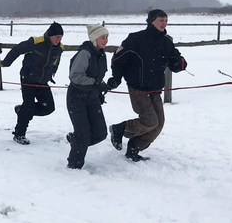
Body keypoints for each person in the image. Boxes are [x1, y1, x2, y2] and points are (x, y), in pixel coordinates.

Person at [107, 9, 188, 162]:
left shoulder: (166, 42)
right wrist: (116, 78)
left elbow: (175, 61)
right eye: (161, 20)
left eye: (166, 20)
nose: (164, 23)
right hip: (138, 88)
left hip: (155, 89)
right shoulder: (136, 39)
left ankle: (134, 148)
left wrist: (180, 63)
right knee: (150, 121)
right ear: (151, 21)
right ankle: (120, 129)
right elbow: (118, 58)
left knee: (158, 125)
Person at [1, 22, 64, 145]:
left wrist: (53, 71)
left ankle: (22, 110)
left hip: (43, 81)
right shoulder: (36, 42)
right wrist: (6, 62)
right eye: (57, 37)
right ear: (50, 35)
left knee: (49, 107)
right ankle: (19, 134)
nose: (59, 40)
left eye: (61, 37)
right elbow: (17, 49)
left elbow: (56, 60)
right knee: (29, 106)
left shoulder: (59, 48)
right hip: (28, 79)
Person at [65, 24, 111, 169]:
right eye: (102, 37)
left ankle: (75, 141)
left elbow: (98, 75)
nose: (105, 40)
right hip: (76, 98)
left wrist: (101, 88)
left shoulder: (101, 54)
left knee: (100, 133)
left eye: (107, 37)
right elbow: (75, 76)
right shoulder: (85, 53)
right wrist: (96, 84)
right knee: (83, 134)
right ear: (94, 39)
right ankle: (74, 166)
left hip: (92, 97)